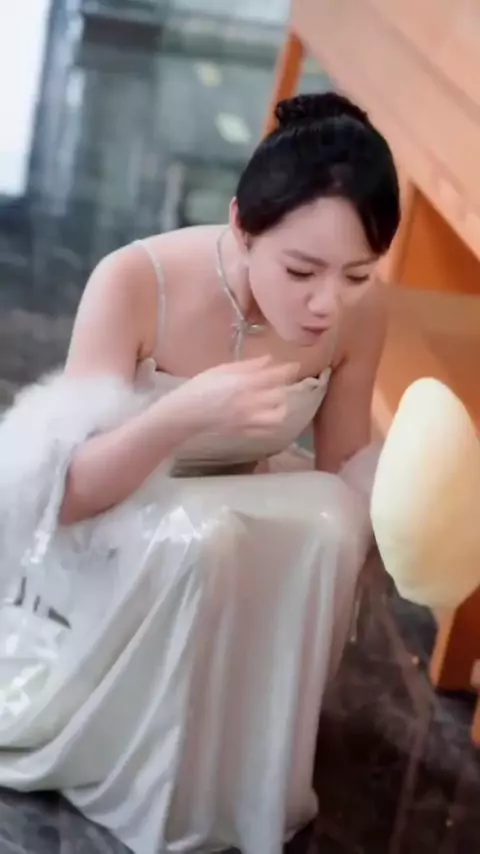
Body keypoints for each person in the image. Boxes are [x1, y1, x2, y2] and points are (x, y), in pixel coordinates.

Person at [0, 92, 400, 854]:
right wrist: (181, 414)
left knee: (333, 519)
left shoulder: (359, 312)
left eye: (357, 274)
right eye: (302, 270)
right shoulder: (134, 281)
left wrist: (418, 510)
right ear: (242, 226)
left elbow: (346, 465)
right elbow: (69, 497)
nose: (327, 303)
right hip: (125, 527)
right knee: (202, 537)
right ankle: (150, 768)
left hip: (239, 510)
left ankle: (247, 764)